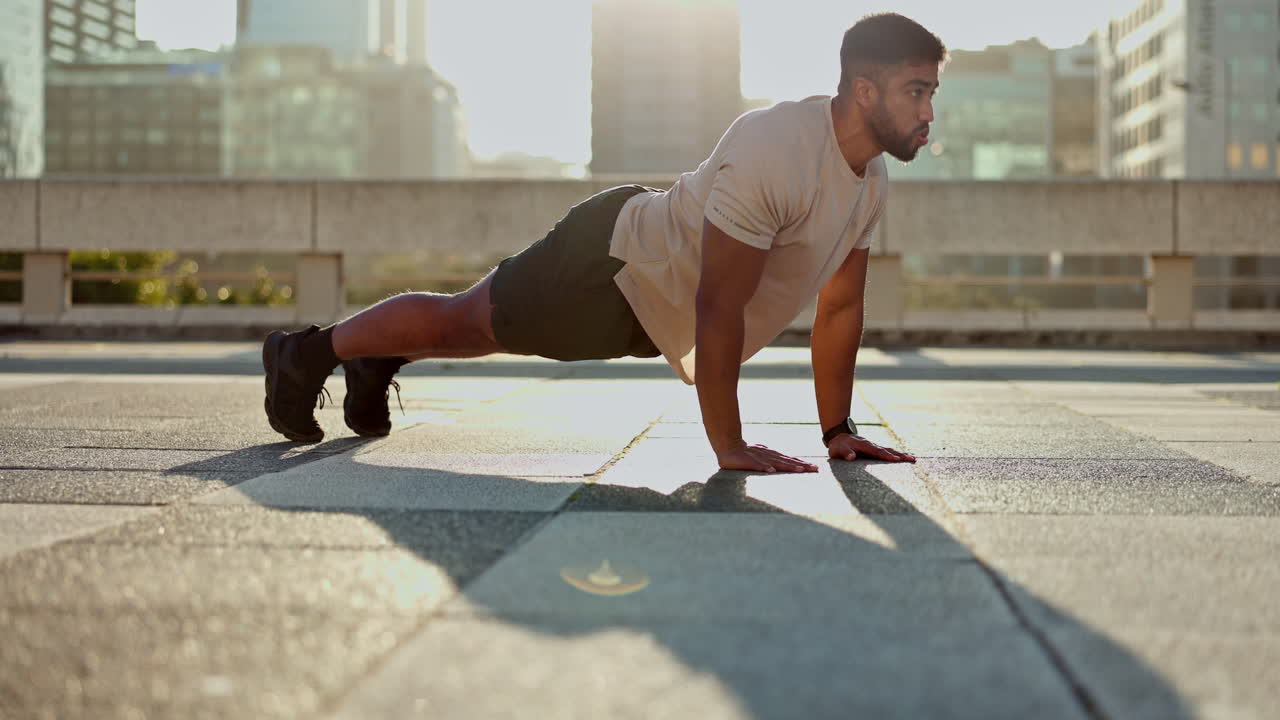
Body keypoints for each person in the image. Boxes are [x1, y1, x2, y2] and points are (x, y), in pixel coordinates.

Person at [263, 12, 944, 473]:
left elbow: (838, 310)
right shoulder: (777, 149)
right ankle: (304, 353)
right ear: (863, 90)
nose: (928, 113)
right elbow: (718, 306)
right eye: (915, 92)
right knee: (466, 324)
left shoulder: (870, 179)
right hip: (613, 263)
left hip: (645, 304)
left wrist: (836, 432)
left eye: (932, 93)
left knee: (470, 329)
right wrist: (729, 445)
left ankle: (374, 360)